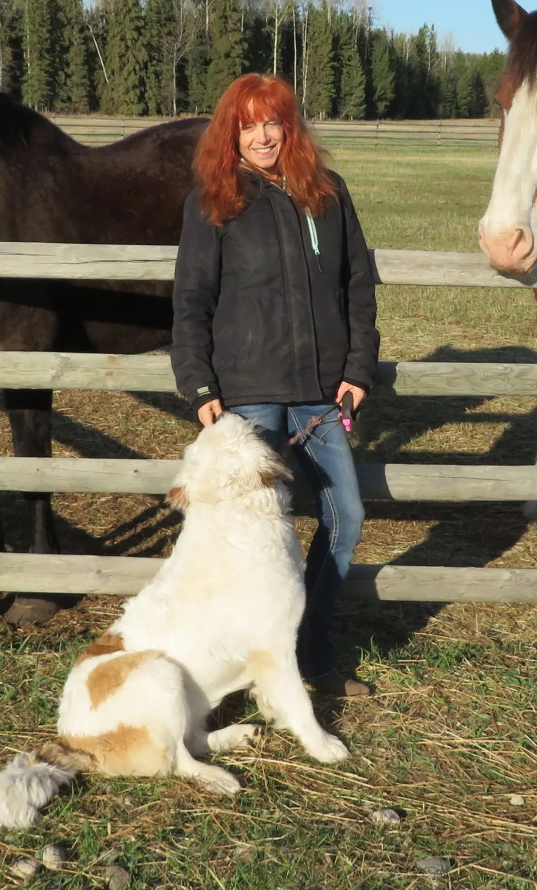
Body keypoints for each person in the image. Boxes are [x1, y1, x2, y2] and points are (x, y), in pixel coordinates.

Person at [171, 72, 379, 698]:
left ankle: (310, 656)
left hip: (320, 394)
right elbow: (191, 300)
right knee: (248, 537)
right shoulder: (214, 199)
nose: (262, 136)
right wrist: (198, 382)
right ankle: (236, 670)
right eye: (248, 124)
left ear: (290, 126)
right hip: (248, 395)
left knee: (348, 515)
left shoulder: (328, 193)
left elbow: (358, 287)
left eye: (273, 122)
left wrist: (357, 371)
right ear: (230, 133)